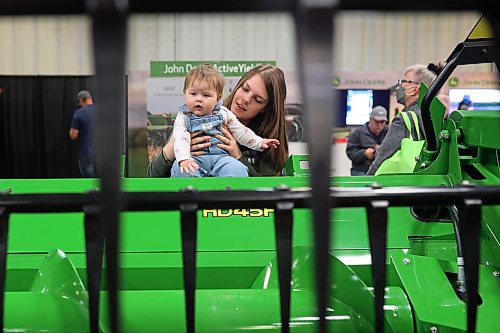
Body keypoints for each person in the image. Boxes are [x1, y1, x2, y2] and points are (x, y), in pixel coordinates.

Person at [147, 64, 289, 177]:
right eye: (245, 89)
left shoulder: (268, 140)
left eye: (257, 99)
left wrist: (238, 156)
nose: (246, 99)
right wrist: (176, 148)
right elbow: (153, 177)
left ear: (266, 108)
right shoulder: (190, 115)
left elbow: (266, 187)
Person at [367, 62, 446, 175]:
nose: (399, 86)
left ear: (415, 89)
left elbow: (383, 157)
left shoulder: (405, 119)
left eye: (404, 81)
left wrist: (367, 180)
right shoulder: (435, 116)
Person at [346, 106, 388, 176]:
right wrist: (364, 154)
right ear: (370, 119)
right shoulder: (358, 133)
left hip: (382, 169)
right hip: (362, 169)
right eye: (377, 122)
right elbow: (350, 152)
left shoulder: (388, 133)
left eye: (382, 122)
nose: (379, 125)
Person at [69, 90, 96, 178]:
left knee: (89, 183)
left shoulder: (79, 113)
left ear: (82, 100)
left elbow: (73, 135)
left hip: (86, 153)